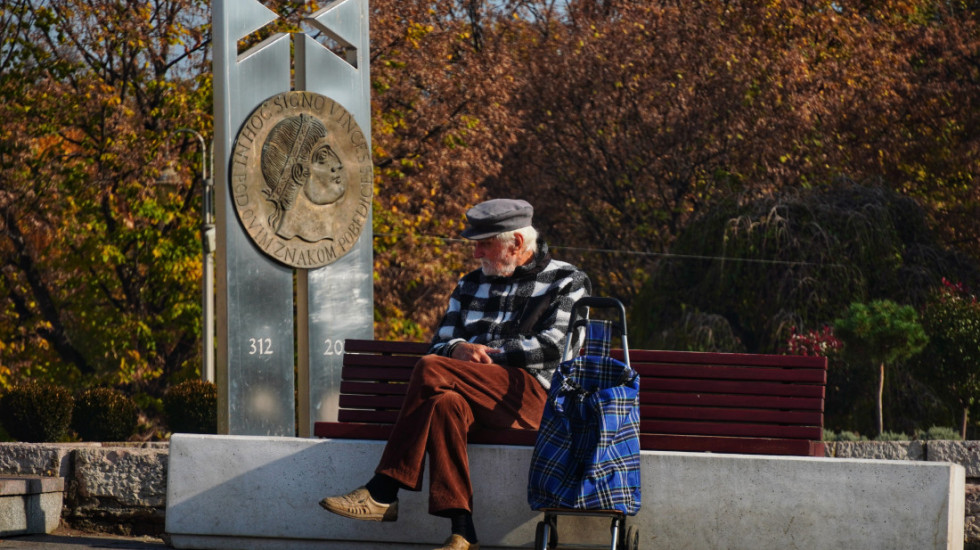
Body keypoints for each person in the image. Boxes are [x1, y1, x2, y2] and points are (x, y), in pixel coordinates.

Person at [320, 198, 591, 550]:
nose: (476, 253)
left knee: (433, 370)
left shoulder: (568, 280)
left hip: (534, 398)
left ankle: (383, 490)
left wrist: (489, 358)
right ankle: (463, 532)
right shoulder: (469, 284)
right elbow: (440, 344)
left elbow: (556, 348)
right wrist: (458, 350)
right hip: (472, 393)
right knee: (445, 404)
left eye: (484, 244)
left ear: (518, 243)